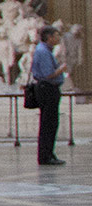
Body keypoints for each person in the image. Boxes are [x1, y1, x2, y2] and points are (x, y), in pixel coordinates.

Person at [29, 25, 67, 166]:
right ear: (49, 37)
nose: (58, 38)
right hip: (47, 89)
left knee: (50, 123)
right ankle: (46, 156)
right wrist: (61, 69)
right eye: (56, 35)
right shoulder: (43, 51)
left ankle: (49, 153)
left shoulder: (44, 50)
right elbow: (48, 74)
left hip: (48, 89)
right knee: (48, 123)